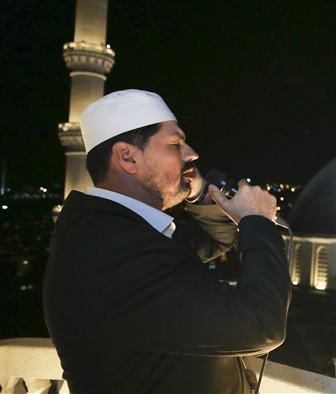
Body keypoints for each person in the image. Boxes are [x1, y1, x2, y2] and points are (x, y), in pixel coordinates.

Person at [43, 89, 291, 393]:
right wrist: (259, 222)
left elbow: (217, 240)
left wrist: (199, 194)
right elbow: (260, 325)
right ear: (127, 156)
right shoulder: (112, 252)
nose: (191, 154)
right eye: (175, 144)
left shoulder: (119, 231)